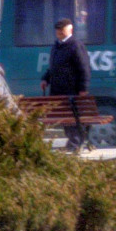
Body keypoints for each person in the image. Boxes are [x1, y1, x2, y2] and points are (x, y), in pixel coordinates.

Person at [43, 18, 94, 151]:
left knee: (73, 117)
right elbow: (53, 68)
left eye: (62, 29)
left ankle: (76, 142)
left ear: (70, 29)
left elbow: (84, 68)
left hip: (72, 90)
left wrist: (83, 88)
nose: (59, 31)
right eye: (57, 29)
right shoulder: (56, 46)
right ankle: (74, 142)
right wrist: (45, 79)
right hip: (58, 90)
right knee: (66, 117)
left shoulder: (75, 45)